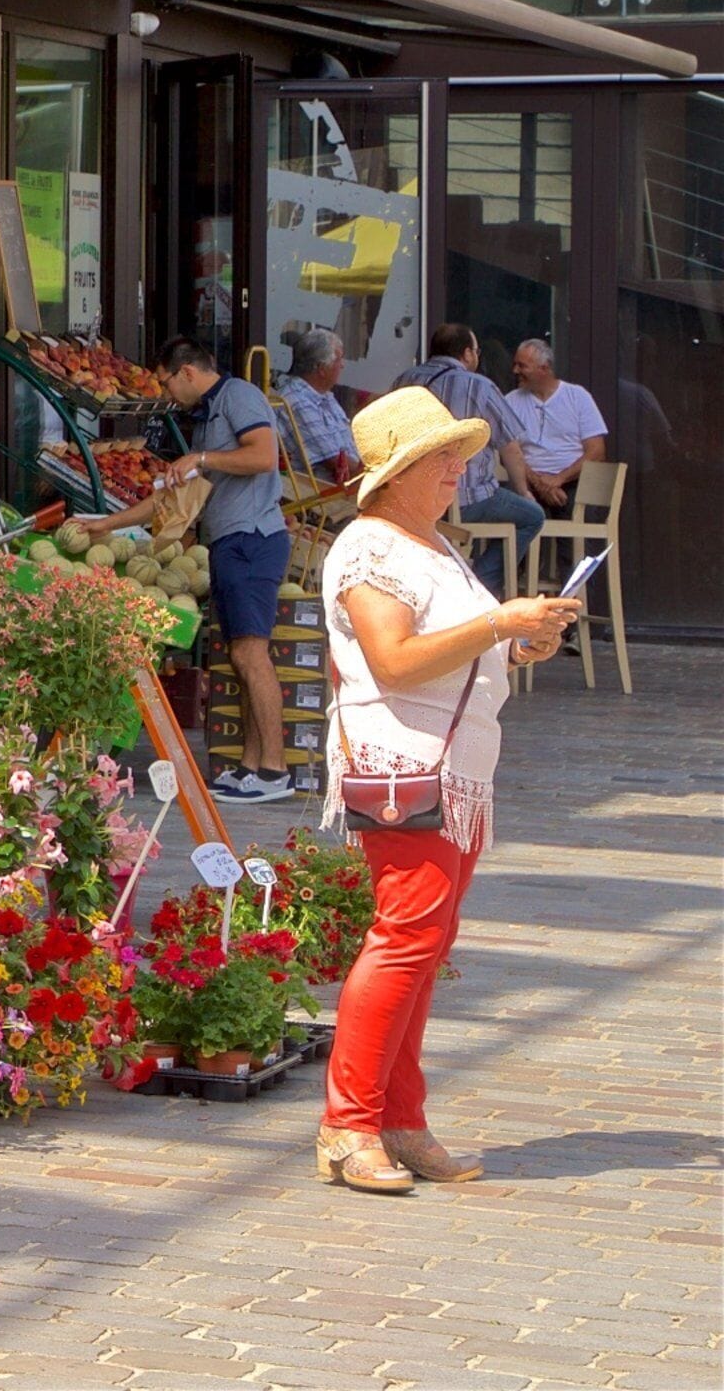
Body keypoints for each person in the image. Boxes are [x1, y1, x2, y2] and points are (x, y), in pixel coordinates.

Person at [313, 386, 574, 1196]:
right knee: (405, 940)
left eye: (456, 457)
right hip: (404, 763)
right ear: (394, 473)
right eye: (441, 460)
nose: (458, 471)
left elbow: (444, 652)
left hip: (447, 764)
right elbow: (394, 661)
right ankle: (349, 1125)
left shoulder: (425, 543)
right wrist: (500, 626)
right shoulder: (372, 548)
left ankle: (398, 1118)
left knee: (422, 949)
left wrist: (519, 645)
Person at [157, 339, 297, 804]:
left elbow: (262, 456)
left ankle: (275, 771)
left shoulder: (237, 395)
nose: (168, 395)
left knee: (252, 656)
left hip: (252, 540)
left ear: (188, 373)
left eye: (168, 383)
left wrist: (201, 460)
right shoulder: (207, 418)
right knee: (242, 657)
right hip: (229, 541)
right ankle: (250, 767)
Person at [394, 325, 544, 591]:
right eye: (476, 351)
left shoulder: (405, 380)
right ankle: (478, 586)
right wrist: (524, 491)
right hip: (465, 500)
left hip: (410, 497)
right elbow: (510, 447)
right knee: (532, 516)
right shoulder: (480, 386)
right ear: (466, 354)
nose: (477, 357)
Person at [499, 339, 607, 517]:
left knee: (574, 532)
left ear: (544, 368)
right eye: (515, 365)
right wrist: (540, 484)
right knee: (516, 516)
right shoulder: (510, 401)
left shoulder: (577, 397)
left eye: (522, 366)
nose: (515, 371)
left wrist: (558, 479)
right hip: (526, 482)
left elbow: (596, 452)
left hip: (572, 481)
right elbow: (508, 453)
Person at [277, 326, 360, 486]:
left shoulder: (324, 396)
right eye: (338, 360)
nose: (342, 365)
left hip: (343, 491)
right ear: (322, 368)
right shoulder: (296, 400)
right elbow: (334, 462)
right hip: (322, 499)